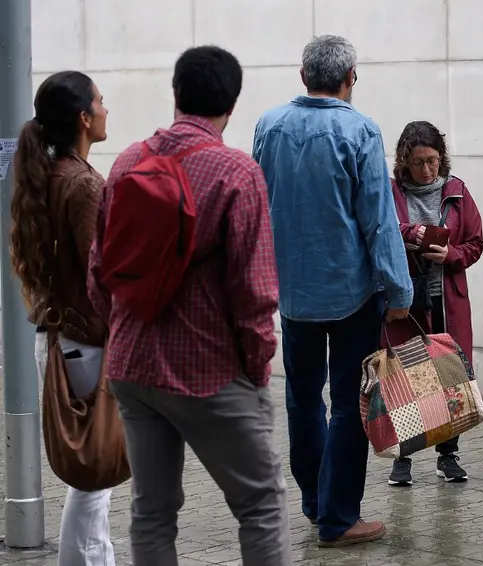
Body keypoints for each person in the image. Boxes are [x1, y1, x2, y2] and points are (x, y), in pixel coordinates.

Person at [88, 46, 291, 566]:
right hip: (209, 372)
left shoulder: (128, 162)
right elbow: (254, 293)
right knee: (261, 505)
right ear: (232, 104)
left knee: (151, 512)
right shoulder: (237, 172)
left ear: (175, 94)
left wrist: (123, 333)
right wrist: (256, 372)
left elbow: (98, 273)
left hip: (132, 369)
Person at [252, 35, 412, 547]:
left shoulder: (269, 126)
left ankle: (316, 502)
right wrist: (399, 290)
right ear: (350, 79)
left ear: (303, 76)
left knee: (301, 399)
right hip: (352, 295)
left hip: (293, 293)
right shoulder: (360, 130)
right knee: (347, 404)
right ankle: (338, 518)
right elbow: (378, 220)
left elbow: (258, 205)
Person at [10, 70, 114, 566]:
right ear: (84, 118)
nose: (107, 109)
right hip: (85, 342)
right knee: (94, 477)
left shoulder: (49, 174)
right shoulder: (82, 184)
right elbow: (102, 273)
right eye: (101, 101)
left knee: (91, 477)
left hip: (60, 337)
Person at [384, 121, 483, 486]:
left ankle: (448, 454)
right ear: (404, 161)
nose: (427, 169)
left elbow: (476, 243)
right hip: (406, 300)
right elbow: (381, 231)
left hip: (446, 300)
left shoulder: (456, 191)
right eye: (418, 162)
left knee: (450, 376)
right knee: (406, 379)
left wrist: (451, 255)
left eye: (433, 161)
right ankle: (403, 458)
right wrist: (411, 234)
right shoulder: (391, 192)